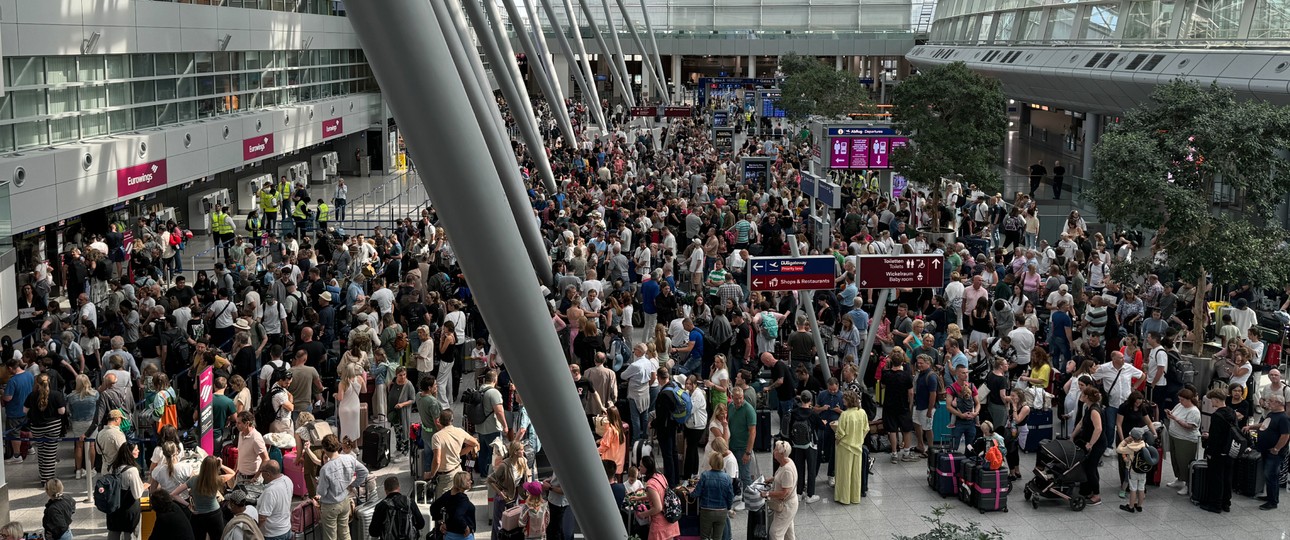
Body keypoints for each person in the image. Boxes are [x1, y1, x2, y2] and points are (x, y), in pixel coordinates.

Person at [315, 433, 370, 540]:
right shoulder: (349, 458)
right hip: (345, 500)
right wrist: (352, 485)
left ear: (325, 449)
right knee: (344, 533)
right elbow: (364, 471)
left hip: (330, 505)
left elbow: (322, 492)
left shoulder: (325, 469)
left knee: (330, 536)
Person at [1246, 394, 1290, 510]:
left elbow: (1285, 435)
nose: (1268, 403)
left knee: (1271, 475)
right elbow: (1264, 425)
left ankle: (1273, 501)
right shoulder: (1271, 414)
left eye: (1271, 401)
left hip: (1274, 453)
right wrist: (1251, 427)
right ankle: (1270, 496)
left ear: (1279, 404)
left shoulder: (1283, 418)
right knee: (1268, 474)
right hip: (1266, 449)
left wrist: (1276, 449)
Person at [23, 373, 66, 484]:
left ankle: (43, 473)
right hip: (53, 427)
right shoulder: (56, 395)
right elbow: (62, 411)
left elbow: (24, 411)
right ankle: (47, 479)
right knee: (50, 454)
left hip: (36, 427)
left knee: (41, 452)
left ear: (37, 383)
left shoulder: (31, 395)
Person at [429, 410, 479, 499]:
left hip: (446, 475)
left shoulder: (437, 437)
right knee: (458, 499)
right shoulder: (459, 431)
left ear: (439, 421)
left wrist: (431, 474)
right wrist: (459, 453)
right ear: (452, 420)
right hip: (458, 470)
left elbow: (437, 460)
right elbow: (474, 443)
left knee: (442, 502)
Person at [1201, 388, 1236, 513]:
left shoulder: (1217, 416)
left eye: (1212, 400)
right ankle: (1226, 503)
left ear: (1216, 399)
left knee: (1216, 478)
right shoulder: (1231, 412)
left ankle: (1215, 504)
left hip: (1218, 452)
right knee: (1227, 477)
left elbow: (1215, 437)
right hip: (1230, 450)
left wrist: (1209, 451)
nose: (1211, 403)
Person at [833, 390, 870, 505]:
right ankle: (855, 497)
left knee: (844, 473)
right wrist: (859, 439)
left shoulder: (845, 415)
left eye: (844, 399)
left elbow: (840, 433)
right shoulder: (862, 412)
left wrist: (837, 441)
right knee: (856, 474)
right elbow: (866, 428)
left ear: (848, 401)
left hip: (845, 447)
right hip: (857, 446)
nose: (843, 401)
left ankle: (844, 497)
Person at [486, 440, 529, 538]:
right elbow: (490, 480)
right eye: (521, 450)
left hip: (514, 495)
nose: (523, 451)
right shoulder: (504, 466)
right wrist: (500, 492)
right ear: (515, 452)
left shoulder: (522, 461)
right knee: (498, 522)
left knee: (514, 520)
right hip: (502, 496)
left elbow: (524, 478)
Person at [1070, 386, 1104, 506]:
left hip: (1097, 444)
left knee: (1091, 468)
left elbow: (1098, 428)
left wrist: (1091, 443)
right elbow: (1081, 422)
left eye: (1082, 394)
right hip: (1091, 442)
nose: (1081, 396)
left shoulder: (1094, 410)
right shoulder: (1088, 407)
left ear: (1087, 397)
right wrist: (1073, 435)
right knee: (1091, 467)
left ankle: (1096, 495)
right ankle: (1091, 490)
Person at [787, 390, 823, 504]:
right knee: (811, 469)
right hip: (810, 444)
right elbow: (821, 426)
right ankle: (810, 495)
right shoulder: (813, 414)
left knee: (799, 468)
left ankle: (798, 492)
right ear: (811, 400)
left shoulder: (794, 412)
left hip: (797, 444)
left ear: (801, 399)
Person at [1164, 388, 1201, 496]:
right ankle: (1179, 478)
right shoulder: (1179, 406)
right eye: (1179, 399)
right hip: (1174, 436)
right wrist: (1170, 415)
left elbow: (1189, 426)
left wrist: (1175, 418)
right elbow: (1174, 415)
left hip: (1186, 439)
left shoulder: (1194, 411)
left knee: (1184, 462)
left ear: (1189, 399)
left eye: (1182, 400)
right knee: (1176, 460)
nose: (1180, 402)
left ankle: (1188, 484)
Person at [880, 351, 916, 463]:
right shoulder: (906, 376)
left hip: (889, 405)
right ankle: (906, 453)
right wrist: (910, 404)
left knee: (892, 430)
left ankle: (894, 453)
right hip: (903, 405)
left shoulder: (886, 374)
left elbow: (882, 386)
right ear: (902, 361)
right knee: (906, 429)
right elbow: (910, 392)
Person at [104, 442, 144, 540]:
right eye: (136, 449)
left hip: (114, 507)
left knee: (114, 533)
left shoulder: (112, 467)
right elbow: (137, 494)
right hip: (128, 509)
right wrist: (143, 486)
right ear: (129, 453)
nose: (138, 451)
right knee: (130, 535)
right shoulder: (132, 471)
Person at [634, 455, 679, 540]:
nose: (639, 468)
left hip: (660, 523)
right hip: (669, 517)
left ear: (647, 468)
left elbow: (658, 508)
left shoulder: (650, 485)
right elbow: (658, 495)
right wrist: (639, 498)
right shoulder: (660, 475)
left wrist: (643, 514)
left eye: (641, 466)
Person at [692, 451, 735, 540]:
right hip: (722, 511)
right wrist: (728, 507)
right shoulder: (727, 478)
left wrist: (689, 493)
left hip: (706, 510)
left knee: (705, 536)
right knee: (718, 537)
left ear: (711, 462)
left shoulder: (705, 475)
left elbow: (696, 493)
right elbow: (730, 496)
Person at [766, 440, 799, 540]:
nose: (773, 451)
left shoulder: (787, 470)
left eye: (775, 450)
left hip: (787, 506)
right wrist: (771, 479)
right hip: (790, 504)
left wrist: (768, 494)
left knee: (775, 533)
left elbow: (784, 493)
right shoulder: (786, 461)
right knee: (789, 532)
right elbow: (780, 477)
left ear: (781, 453)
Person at [429, 472, 476, 540]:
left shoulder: (448, 495)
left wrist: (440, 521)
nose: (471, 481)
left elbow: (434, 507)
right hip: (463, 536)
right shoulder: (463, 499)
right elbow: (458, 516)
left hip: (449, 535)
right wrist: (465, 527)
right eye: (468, 480)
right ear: (462, 483)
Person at [1116, 426, 1152, 513]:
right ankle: (1139, 506)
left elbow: (1118, 449)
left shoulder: (1130, 447)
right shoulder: (1144, 444)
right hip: (1143, 470)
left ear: (1131, 437)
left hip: (1132, 470)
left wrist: (1124, 441)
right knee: (1141, 487)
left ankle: (1131, 506)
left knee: (1133, 488)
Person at [946, 365, 979, 452]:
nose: (966, 375)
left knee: (970, 447)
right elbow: (948, 406)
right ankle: (951, 463)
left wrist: (975, 413)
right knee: (953, 447)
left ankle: (968, 463)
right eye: (963, 373)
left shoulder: (971, 386)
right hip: (958, 422)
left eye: (967, 372)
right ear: (957, 374)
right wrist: (960, 415)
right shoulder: (951, 388)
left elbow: (978, 403)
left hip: (971, 422)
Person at [258, 461, 294, 540]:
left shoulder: (270, 491)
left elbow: (262, 517)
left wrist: (256, 530)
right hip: (286, 529)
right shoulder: (287, 480)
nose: (261, 475)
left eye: (261, 472)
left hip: (273, 534)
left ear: (268, 474)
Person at [336, 360, 366, 442]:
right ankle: (355, 447)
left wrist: (335, 395)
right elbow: (364, 391)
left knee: (345, 430)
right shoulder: (360, 378)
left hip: (344, 409)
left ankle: (346, 449)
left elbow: (340, 398)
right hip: (355, 407)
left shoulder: (342, 383)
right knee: (354, 429)